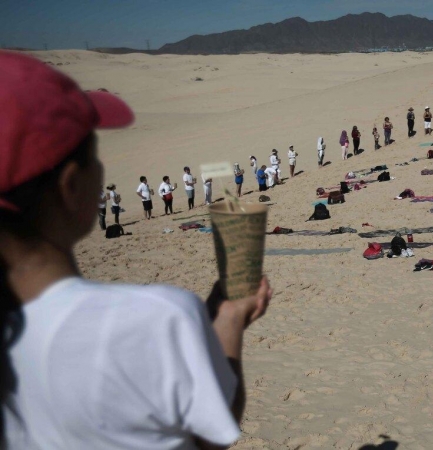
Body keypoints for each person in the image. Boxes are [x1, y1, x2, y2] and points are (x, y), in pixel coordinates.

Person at [0, 51, 272, 449]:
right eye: (94, 158)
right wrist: (229, 318)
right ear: (71, 186)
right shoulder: (156, 318)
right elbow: (215, 432)